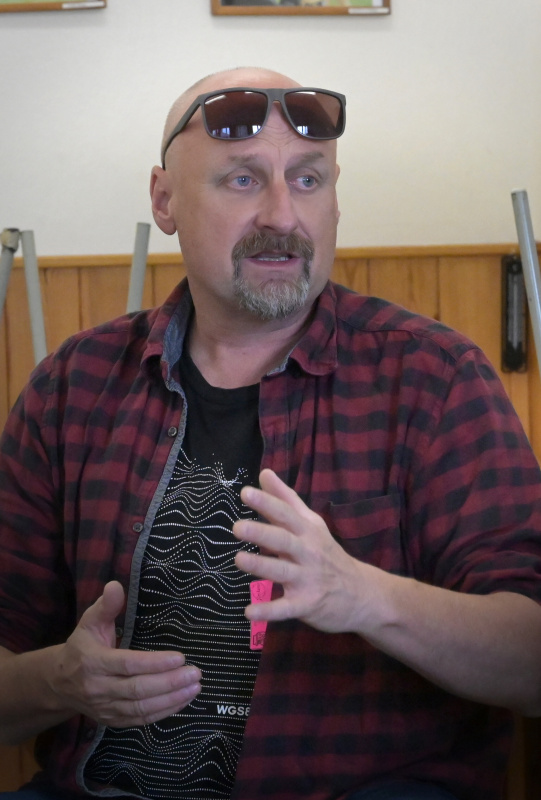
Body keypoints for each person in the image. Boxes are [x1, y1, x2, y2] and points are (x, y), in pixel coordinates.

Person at [0, 66, 541, 800]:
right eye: (242, 180)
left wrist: (364, 596)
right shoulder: (73, 387)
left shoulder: (433, 379)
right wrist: (58, 681)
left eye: (309, 179)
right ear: (164, 199)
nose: (283, 215)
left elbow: (529, 662)